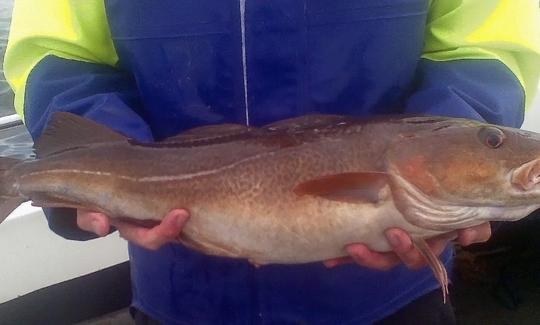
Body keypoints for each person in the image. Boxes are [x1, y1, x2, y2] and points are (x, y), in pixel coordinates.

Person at [5, 0, 540, 324]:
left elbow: (487, 49)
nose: (499, 145)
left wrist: (469, 117)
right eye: (493, 141)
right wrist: (106, 170)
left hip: (389, 302)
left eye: (490, 141)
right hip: (180, 287)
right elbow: (58, 54)